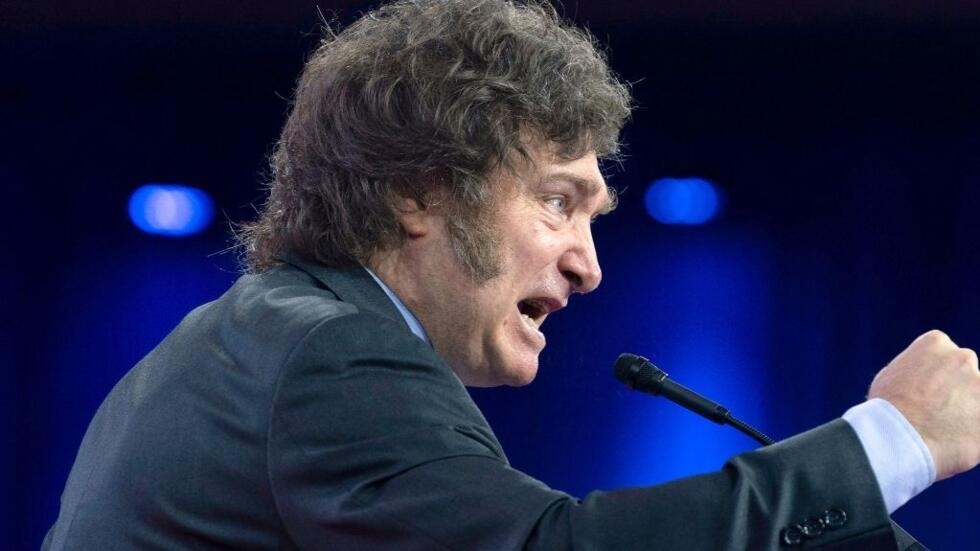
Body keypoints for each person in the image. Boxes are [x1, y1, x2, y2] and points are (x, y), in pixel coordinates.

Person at [44, 0, 980, 549]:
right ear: (418, 192)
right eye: (557, 201)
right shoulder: (334, 354)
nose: (589, 265)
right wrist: (891, 438)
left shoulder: (263, 339)